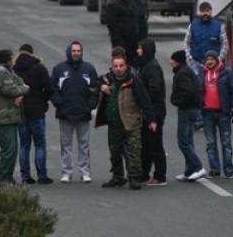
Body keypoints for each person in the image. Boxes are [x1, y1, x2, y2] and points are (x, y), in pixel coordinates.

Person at [95, 53, 157, 190]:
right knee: (114, 151)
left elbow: (145, 100)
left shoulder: (133, 80)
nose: (118, 69)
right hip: (114, 122)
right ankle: (118, 177)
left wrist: (152, 119)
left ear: (126, 66)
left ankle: (134, 177)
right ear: (112, 67)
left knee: (134, 151)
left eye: (121, 66)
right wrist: (101, 86)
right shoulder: (108, 78)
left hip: (131, 122)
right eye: (115, 66)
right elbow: (95, 81)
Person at [50, 41, 99, 184]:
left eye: (78, 50)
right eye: (74, 51)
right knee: (66, 145)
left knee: (84, 144)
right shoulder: (59, 69)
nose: (76, 53)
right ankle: (66, 172)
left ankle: (85, 172)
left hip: (83, 114)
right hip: (65, 114)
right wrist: (59, 103)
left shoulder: (89, 69)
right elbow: (53, 89)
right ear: (69, 52)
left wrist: (90, 105)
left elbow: (95, 89)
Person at [13, 44, 53, 185]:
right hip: (37, 111)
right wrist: (43, 101)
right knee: (40, 144)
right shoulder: (39, 68)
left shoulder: (14, 69)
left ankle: (25, 176)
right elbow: (49, 88)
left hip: (21, 112)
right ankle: (42, 175)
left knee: (24, 145)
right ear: (32, 53)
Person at [0, 49, 28, 187]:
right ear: (7, 60)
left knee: (13, 149)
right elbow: (11, 90)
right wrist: (23, 90)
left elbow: (19, 81)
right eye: (12, 58)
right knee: (8, 150)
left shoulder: (8, 71)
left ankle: (8, 176)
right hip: (4, 116)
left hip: (10, 115)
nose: (14, 61)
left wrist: (20, 88)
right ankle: (3, 178)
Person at [198, 50, 233, 178]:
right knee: (210, 143)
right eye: (207, 60)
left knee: (226, 143)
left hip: (223, 112)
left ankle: (229, 170)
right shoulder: (202, 73)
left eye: (212, 59)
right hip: (207, 113)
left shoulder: (227, 73)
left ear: (217, 60)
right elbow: (197, 91)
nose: (209, 62)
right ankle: (214, 169)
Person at [170, 50, 206, 181]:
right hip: (192, 109)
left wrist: (177, 101)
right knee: (189, 140)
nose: (170, 62)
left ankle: (197, 166)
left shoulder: (182, 73)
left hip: (187, 109)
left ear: (177, 61)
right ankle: (190, 170)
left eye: (172, 60)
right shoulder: (185, 71)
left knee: (183, 141)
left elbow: (189, 91)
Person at [137, 38, 167, 186]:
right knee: (147, 144)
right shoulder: (145, 65)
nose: (138, 51)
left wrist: (142, 98)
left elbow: (154, 90)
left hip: (154, 112)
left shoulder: (152, 67)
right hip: (149, 111)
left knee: (155, 145)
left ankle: (160, 176)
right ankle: (144, 174)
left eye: (140, 48)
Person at [184, 1, 228, 76]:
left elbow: (225, 44)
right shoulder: (192, 26)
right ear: (200, 12)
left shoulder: (219, 26)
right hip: (196, 64)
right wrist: (189, 58)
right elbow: (186, 43)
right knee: (197, 86)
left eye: (207, 11)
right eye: (203, 11)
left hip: (214, 66)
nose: (205, 13)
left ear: (211, 12)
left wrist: (219, 59)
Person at [105, 0, 140, 67]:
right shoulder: (114, 5)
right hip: (120, 43)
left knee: (133, 65)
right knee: (121, 65)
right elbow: (111, 24)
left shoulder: (131, 3)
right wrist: (118, 40)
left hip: (133, 42)